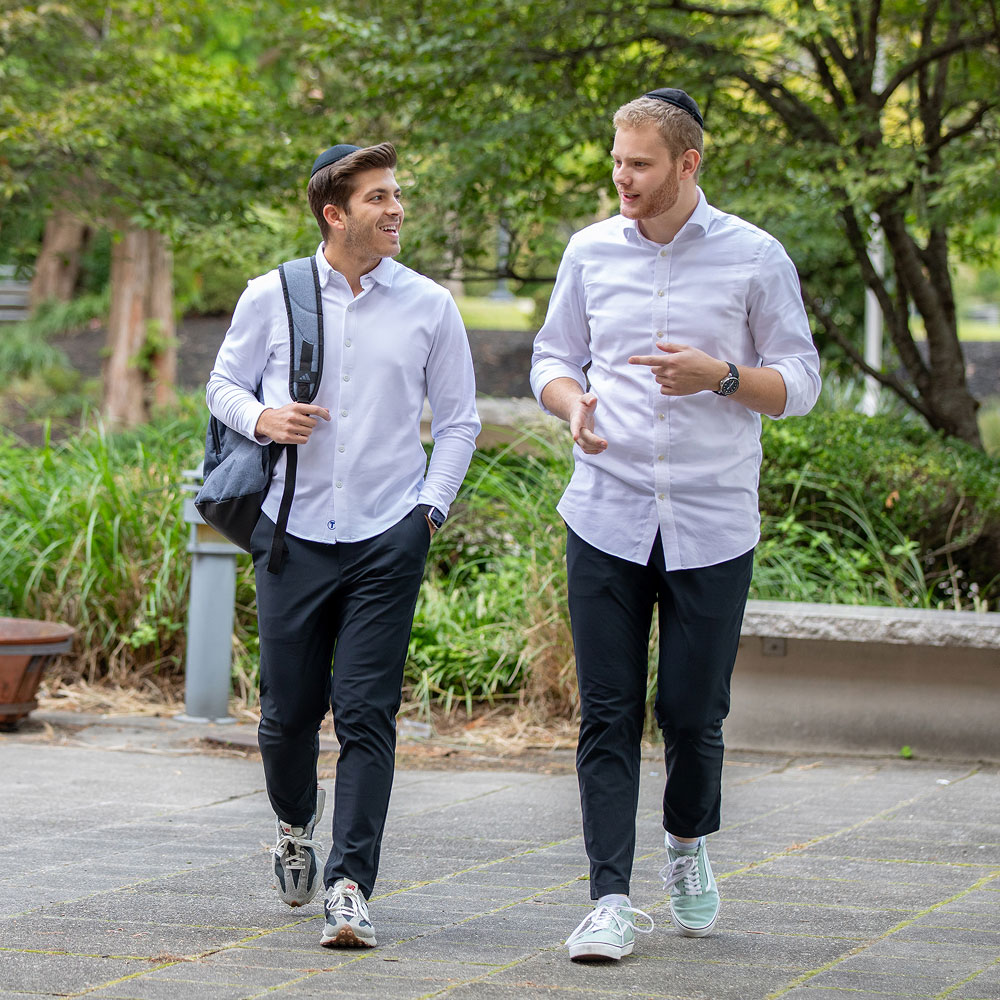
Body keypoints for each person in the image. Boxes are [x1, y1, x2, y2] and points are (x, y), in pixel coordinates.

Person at [530, 88, 821, 962]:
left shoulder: (753, 257)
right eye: (616, 160)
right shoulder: (588, 252)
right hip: (606, 514)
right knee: (607, 713)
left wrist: (721, 375)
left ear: (687, 165)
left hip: (711, 519)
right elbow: (551, 355)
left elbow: (800, 383)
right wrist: (571, 401)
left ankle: (686, 841)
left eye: (640, 164)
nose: (622, 176)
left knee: (693, 715)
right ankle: (609, 899)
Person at [207, 141, 480, 950]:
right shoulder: (272, 295)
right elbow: (222, 385)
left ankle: (350, 886)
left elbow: (459, 420)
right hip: (289, 537)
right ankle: (295, 825)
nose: (396, 209)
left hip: (385, 538)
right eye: (379, 198)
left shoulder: (430, 305)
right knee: (287, 716)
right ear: (336, 213)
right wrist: (262, 417)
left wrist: (428, 513)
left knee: (368, 715)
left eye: (398, 195)